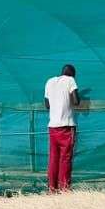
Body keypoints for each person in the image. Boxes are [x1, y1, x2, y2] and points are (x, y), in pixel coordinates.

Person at [43, 63, 81, 191]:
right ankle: (64, 188)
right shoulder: (70, 80)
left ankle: (52, 188)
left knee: (53, 157)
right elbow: (76, 101)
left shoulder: (49, 81)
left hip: (53, 127)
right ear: (72, 74)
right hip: (67, 126)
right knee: (65, 158)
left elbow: (47, 105)